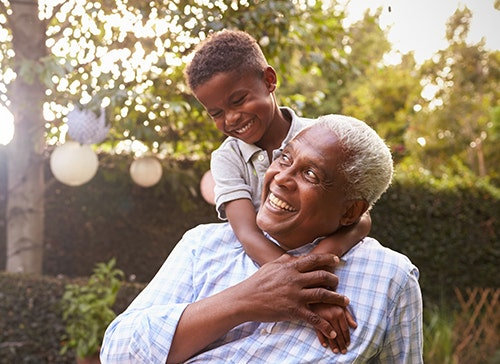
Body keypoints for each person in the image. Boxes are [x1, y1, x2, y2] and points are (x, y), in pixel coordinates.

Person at [100, 115, 423, 363]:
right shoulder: (204, 245)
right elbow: (118, 353)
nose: (281, 178)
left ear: (351, 211)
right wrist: (244, 301)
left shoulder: (391, 278)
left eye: (311, 174)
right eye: (285, 158)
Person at [185, 30, 368, 350]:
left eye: (238, 100)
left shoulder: (321, 136)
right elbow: (247, 233)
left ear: (269, 80)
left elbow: (361, 219)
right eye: (215, 112)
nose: (231, 118)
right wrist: (301, 287)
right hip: (265, 267)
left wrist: (315, 268)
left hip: (313, 258)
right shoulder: (227, 159)